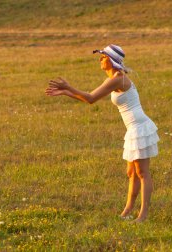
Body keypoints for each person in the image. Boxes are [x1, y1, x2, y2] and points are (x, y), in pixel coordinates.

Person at [45, 44, 159, 222]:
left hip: (140, 127)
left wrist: (69, 87)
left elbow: (90, 98)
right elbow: (89, 98)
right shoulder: (114, 78)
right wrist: (66, 91)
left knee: (143, 173)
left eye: (103, 56)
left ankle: (142, 215)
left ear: (112, 60)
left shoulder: (117, 79)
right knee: (132, 173)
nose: (100, 59)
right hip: (133, 128)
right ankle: (127, 212)